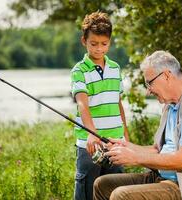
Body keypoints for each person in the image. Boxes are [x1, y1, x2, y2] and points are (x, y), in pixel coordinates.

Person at [93, 50, 182, 200]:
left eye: (150, 83)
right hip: (166, 179)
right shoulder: (170, 105)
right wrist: (126, 147)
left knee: (121, 195)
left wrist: (135, 158)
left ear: (167, 75)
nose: (148, 91)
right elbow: (158, 150)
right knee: (103, 184)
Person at [70, 11, 129, 200]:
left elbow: (117, 102)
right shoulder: (79, 70)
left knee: (116, 190)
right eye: (93, 44)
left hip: (115, 142)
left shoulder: (115, 68)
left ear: (110, 42)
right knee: (87, 191)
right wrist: (90, 133)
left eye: (104, 44)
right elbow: (82, 103)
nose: (98, 49)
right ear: (84, 41)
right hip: (90, 145)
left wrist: (125, 133)